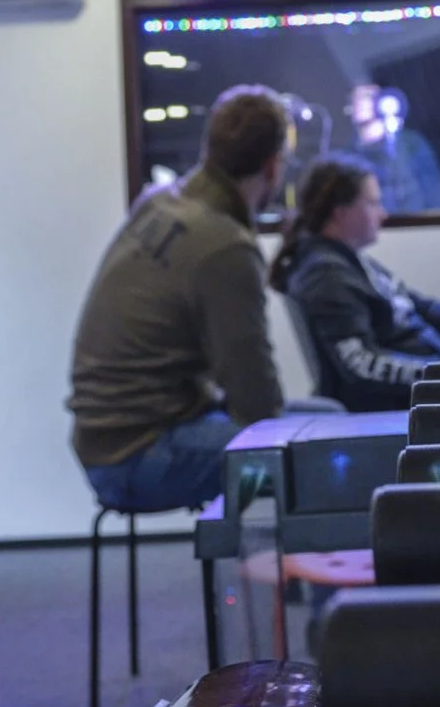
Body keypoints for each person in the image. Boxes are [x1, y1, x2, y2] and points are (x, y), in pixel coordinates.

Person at [68, 85, 292, 511]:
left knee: (324, 416)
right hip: (138, 454)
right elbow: (254, 395)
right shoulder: (224, 245)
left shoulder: (160, 201)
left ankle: (271, 551)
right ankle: (284, 557)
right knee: (316, 450)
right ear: (273, 165)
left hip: (102, 440)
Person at [268, 153, 440, 412]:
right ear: (340, 212)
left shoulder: (347, 261)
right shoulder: (326, 274)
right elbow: (363, 367)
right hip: (392, 411)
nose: (383, 214)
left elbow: (421, 308)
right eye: (373, 203)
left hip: (417, 396)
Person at [347, 83, 440, 213]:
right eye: (355, 98)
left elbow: (435, 193)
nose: (361, 103)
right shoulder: (346, 159)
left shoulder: (411, 144)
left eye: (369, 96)